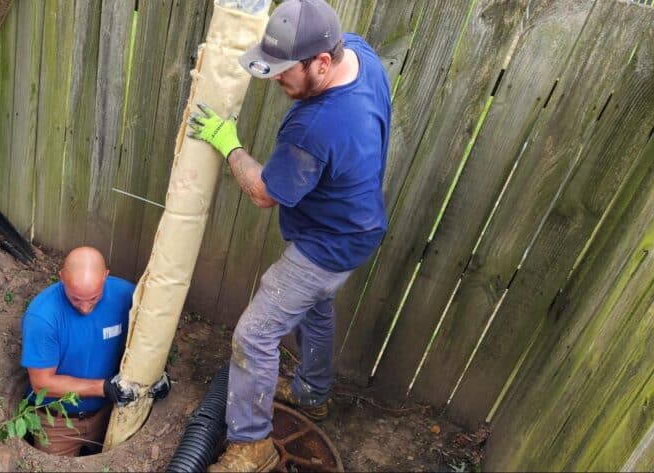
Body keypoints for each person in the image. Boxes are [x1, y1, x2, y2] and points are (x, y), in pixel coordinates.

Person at [188, 0, 391, 470]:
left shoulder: (315, 126)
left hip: (327, 245)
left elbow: (263, 193)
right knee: (315, 309)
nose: (276, 80)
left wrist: (228, 144)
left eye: (284, 72)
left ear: (321, 63)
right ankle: (314, 394)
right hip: (358, 227)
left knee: (254, 336)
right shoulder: (360, 55)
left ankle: (253, 445)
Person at [20, 246, 170, 456]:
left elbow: (149, 337)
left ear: (106, 276)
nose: (85, 308)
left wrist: (157, 374)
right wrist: (103, 387)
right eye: (76, 299)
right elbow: (42, 383)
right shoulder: (43, 317)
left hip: (109, 413)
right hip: (58, 422)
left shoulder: (126, 295)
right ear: (61, 277)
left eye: (93, 298)